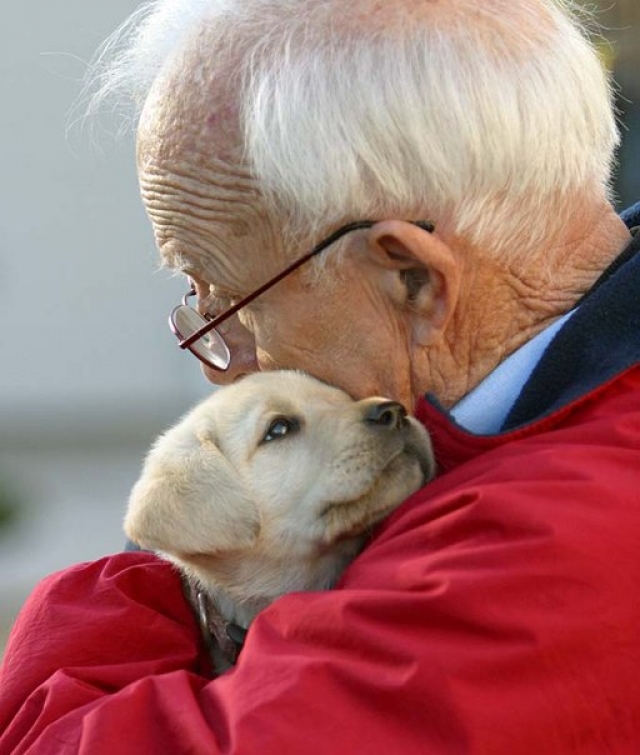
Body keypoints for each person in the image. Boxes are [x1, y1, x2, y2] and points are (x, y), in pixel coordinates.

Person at [2, 0, 640, 751]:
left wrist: (125, 602)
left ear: (412, 279)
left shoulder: (544, 541)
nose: (227, 368)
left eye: (230, 303)